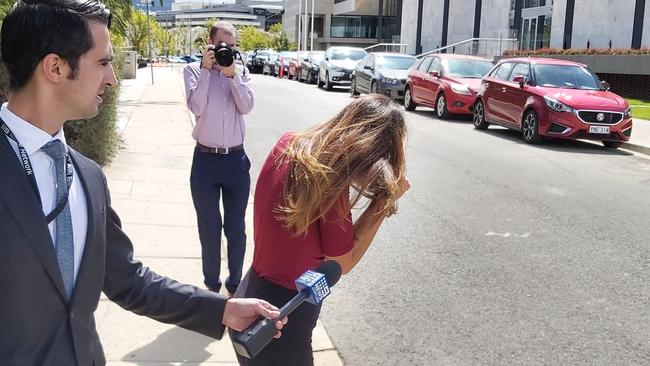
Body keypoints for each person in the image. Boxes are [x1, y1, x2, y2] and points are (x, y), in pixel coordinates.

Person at [0, 1, 284, 365]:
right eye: (103, 62)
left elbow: (128, 280)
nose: (112, 78)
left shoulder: (87, 177)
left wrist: (223, 310)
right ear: (55, 67)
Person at [232, 94, 411, 365]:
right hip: (284, 319)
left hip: (253, 294)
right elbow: (343, 263)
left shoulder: (289, 143)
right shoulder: (327, 183)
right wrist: (381, 205)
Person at [183, 21, 252, 297]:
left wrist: (232, 75)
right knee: (209, 227)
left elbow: (246, 106)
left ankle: (235, 284)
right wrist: (206, 71)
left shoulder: (241, 71)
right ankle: (211, 286)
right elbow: (196, 107)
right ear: (209, 44)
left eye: (232, 47)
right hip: (205, 161)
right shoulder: (193, 71)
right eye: (223, 46)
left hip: (236, 161)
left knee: (236, 227)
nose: (228, 51)